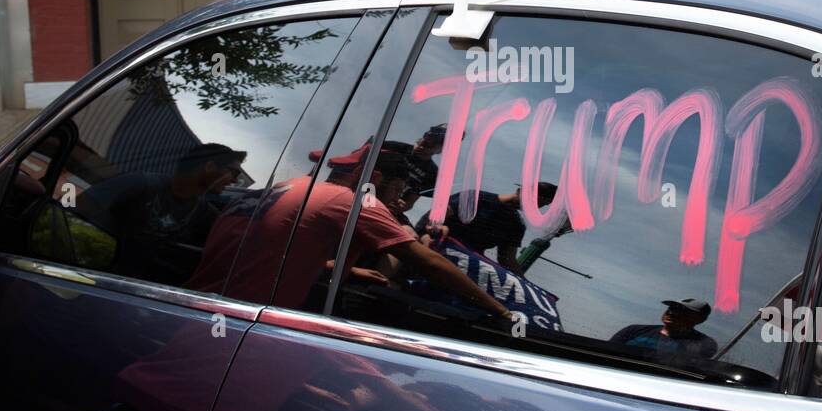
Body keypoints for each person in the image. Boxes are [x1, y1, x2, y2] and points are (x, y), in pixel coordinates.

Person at [188, 143, 510, 319]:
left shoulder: (287, 187)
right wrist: (501, 312)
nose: (401, 197)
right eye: (401, 186)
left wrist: (350, 270)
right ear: (378, 178)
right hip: (242, 327)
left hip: (194, 310)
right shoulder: (355, 202)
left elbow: (273, 250)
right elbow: (426, 262)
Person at [77, 142, 246, 281]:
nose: (236, 180)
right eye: (234, 172)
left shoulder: (203, 213)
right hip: (91, 275)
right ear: (209, 166)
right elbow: (77, 212)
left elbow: (235, 245)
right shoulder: (139, 184)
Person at [423, 182, 558, 273]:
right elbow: (437, 215)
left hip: (466, 265)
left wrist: (525, 284)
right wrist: (436, 228)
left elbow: (507, 260)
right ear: (520, 190)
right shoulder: (475, 198)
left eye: (541, 204)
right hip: (435, 248)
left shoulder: (516, 225)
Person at [611, 299, 718, 366]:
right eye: (671, 308)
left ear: (700, 319)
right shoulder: (634, 330)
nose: (671, 312)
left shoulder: (704, 344)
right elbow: (608, 353)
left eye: (681, 310)